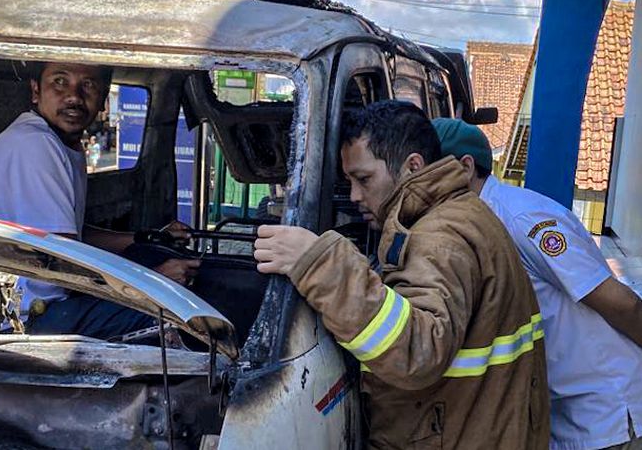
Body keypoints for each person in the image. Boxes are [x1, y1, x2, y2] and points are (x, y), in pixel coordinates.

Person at [254, 100, 549, 449]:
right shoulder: (461, 214)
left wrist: (319, 264)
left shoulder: (440, 238)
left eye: (364, 178)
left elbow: (418, 351)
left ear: (412, 166)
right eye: (349, 180)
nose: (355, 195)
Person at [433, 117, 642, 450]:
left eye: (428, 171)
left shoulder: (520, 218)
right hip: (572, 415)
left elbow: (620, 303)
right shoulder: (476, 223)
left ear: (465, 167)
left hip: (608, 412)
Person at [0, 61, 200, 338]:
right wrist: (153, 283)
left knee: (145, 254)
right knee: (181, 313)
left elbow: (73, 235)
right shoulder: (34, 145)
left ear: (103, 98)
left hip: (49, 302)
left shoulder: (63, 143)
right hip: (27, 318)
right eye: (59, 82)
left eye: (88, 85)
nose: (74, 97)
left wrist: (143, 238)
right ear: (35, 91)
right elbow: (66, 259)